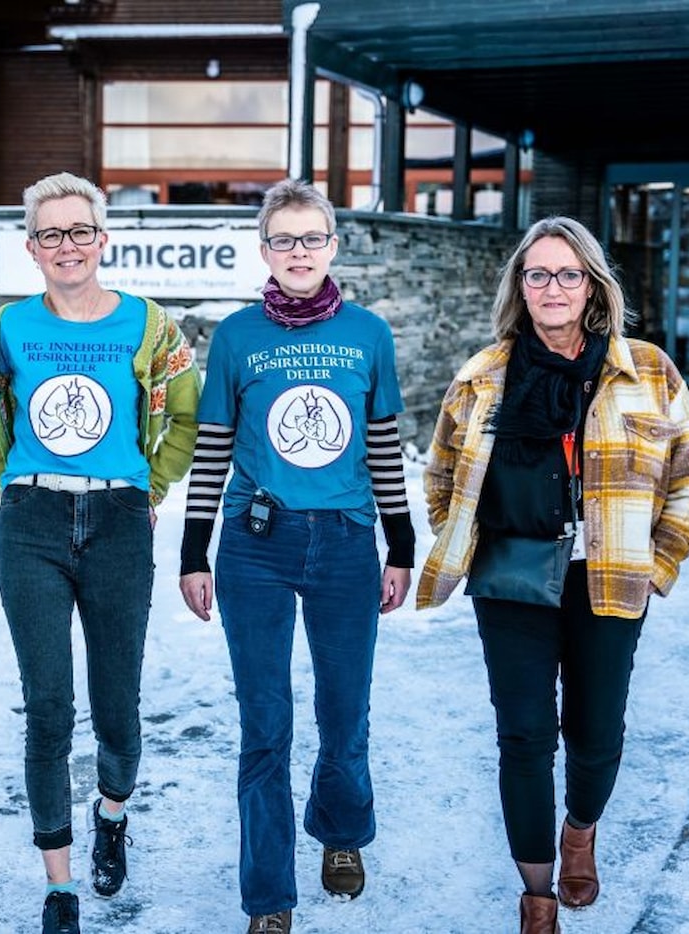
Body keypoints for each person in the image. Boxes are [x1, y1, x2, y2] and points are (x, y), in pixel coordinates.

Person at [416, 216, 689, 934]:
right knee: (522, 735)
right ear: (520, 287)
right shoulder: (482, 376)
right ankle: (538, 889)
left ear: (593, 287)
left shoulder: (646, 371)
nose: (553, 287)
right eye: (538, 274)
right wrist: (463, 540)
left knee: (596, 733)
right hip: (512, 577)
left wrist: (655, 563)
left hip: (608, 577)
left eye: (568, 274)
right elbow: (441, 477)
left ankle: (580, 830)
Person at [0, 171, 200, 934]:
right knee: (49, 707)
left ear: (103, 238)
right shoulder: (7, 329)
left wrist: (147, 489)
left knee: (117, 701)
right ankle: (59, 885)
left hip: (120, 521)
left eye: (80, 231)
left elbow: (185, 416)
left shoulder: (149, 325)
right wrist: (16, 484)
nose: (68, 245)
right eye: (51, 234)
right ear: (32, 247)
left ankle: (113, 812)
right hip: (30, 522)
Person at [178, 179, 416, 934]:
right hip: (256, 546)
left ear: (333, 246)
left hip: (346, 541)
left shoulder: (368, 335)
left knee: (344, 710)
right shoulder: (237, 336)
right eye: (283, 239)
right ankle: (268, 895)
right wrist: (193, 551)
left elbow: (382, 448)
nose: (298, 252)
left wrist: (401, 543)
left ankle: (341, 833)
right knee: (265, 722)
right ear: (264, 250)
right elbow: (212, 450)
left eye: (312, 238)